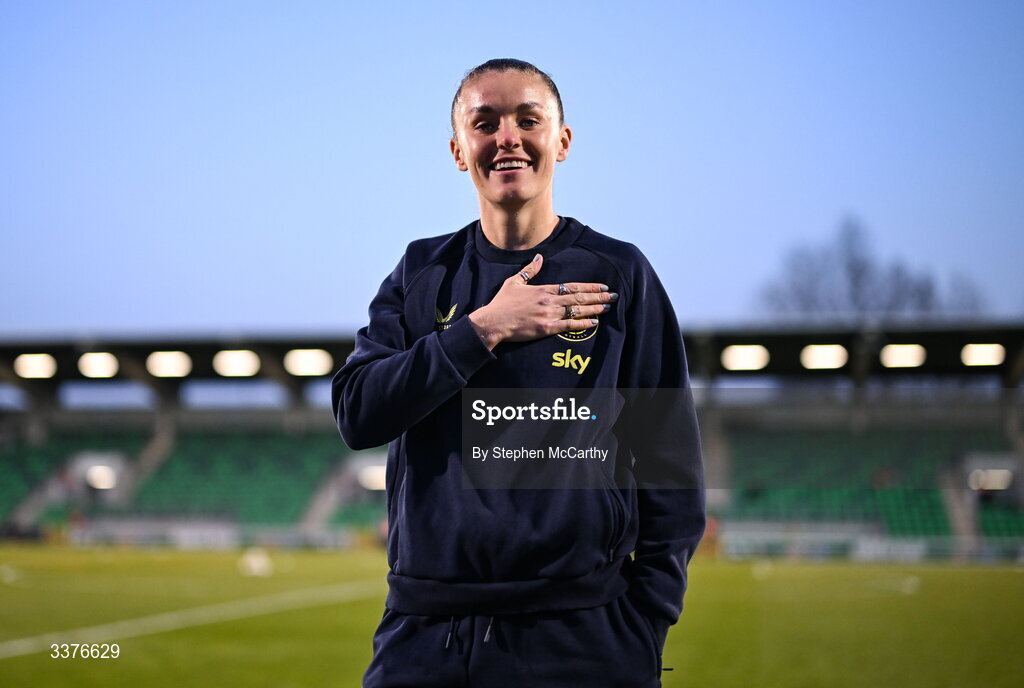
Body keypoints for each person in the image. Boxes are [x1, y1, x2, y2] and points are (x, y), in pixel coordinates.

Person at [332, 58, 705, 688]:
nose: (507, 136)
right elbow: (357, 411)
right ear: (459, 151)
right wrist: (482, 330)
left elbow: (670, 463)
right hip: (426, 636)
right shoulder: (423, 274)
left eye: (527, 119)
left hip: (585, 639)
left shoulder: (619, 274)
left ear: (560, 140)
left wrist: (646, 622)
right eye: (485, 122)